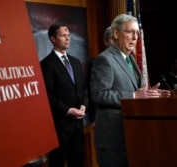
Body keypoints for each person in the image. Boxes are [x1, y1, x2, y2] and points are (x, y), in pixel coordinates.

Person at [89, 13, 171, 167]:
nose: (135, 38)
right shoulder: (105, 59)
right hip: (113, 138)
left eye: (137, 33)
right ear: (116, 33)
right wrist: (134, 96)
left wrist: (149, 95)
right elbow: (99, 94)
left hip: (131, 133)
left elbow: (135, 90)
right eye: (130, 32)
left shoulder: (130, 58)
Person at [40, 22, 87, 167]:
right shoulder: (47, 64)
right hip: (60, 127)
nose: (68, 39)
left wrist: (84, 105)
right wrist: (67, 110)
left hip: (78, 127)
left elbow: (83, 89)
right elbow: (47, 96)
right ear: (53, 38)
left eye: (68, 35)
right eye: (63, 35)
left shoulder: (75, 61)